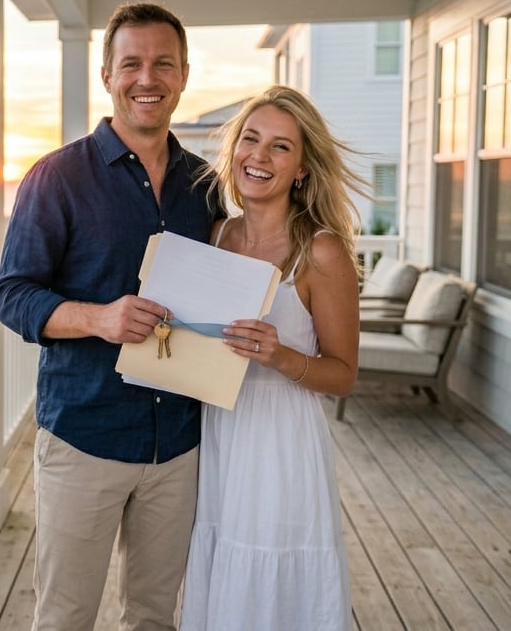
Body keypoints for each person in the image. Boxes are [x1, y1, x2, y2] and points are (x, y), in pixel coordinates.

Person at [0, 1, 224, 631]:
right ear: (106, 75)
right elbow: (12, 294)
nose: (146, 78)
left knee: (152, 617)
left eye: (162, 64)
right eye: (132, 64)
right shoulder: (56, 178)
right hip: (85, 438)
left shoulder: (205, 185)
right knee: (65, 616)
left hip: (177, 442)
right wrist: (99, 319)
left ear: (182, 75)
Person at [178, 85, 366, 630]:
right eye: (251, 139)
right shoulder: (217, 235)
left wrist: (281, 355)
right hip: (220, 428)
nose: (259, 156)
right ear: (233, 149)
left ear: (303, 168)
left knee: (270, 573)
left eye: (281, 147)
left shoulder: (321, 250)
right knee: (222, 564)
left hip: (280, 441)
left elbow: (345, 375)